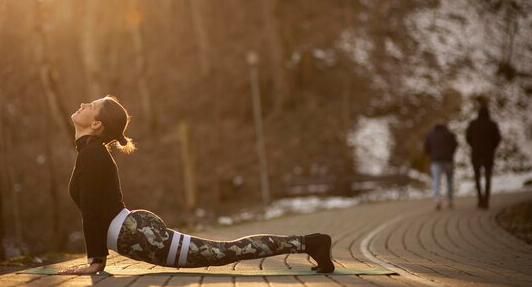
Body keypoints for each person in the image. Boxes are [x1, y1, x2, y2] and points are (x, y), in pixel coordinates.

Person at [58, 95, 334, 275]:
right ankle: (310, 244)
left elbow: (91, 211)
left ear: (96, 125)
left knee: (226, 252)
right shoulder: (90, 152)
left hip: (135, 235)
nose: (83, 104)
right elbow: (92, 210)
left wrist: (96, 261)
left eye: (91, 106)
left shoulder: (92, 154)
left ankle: (312, 243)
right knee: (225, 251)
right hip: (132, 231)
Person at [466, 104, 501, 209]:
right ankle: (486, 200)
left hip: (476, 153)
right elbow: (497, 139)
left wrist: (474, 146)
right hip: (488, 154)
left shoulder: (473, 124)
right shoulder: (492, 124)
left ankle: (480, 199)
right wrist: (491, 148)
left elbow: (467, 137)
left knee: (477, 177)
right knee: (487, 177)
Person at [424, 123, 458, 210]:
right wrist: (451, 153)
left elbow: (426, 147)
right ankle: (449, 200)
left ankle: (437, 198)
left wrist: (431, 155)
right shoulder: (450, 134)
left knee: (436, 180)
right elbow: (455, 145)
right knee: (449, 180)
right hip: (448, 160)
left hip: (436, 161)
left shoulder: (431, 135)